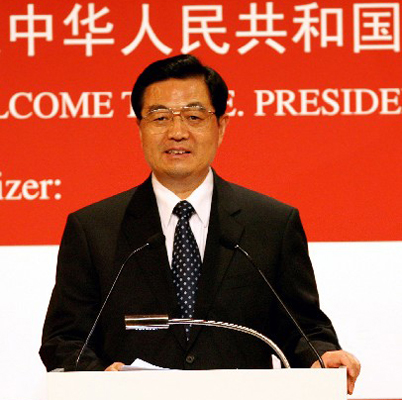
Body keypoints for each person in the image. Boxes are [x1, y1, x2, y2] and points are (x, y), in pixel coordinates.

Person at [40, 54, 360, 393]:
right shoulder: (94, 229)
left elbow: (304, 329)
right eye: (160, 117)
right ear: (140, 128)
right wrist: (101, 377)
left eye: (194, 117)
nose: (177, 133)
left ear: (221, 127)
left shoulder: (271, 224)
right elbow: (64, 340)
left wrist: (322, 357)